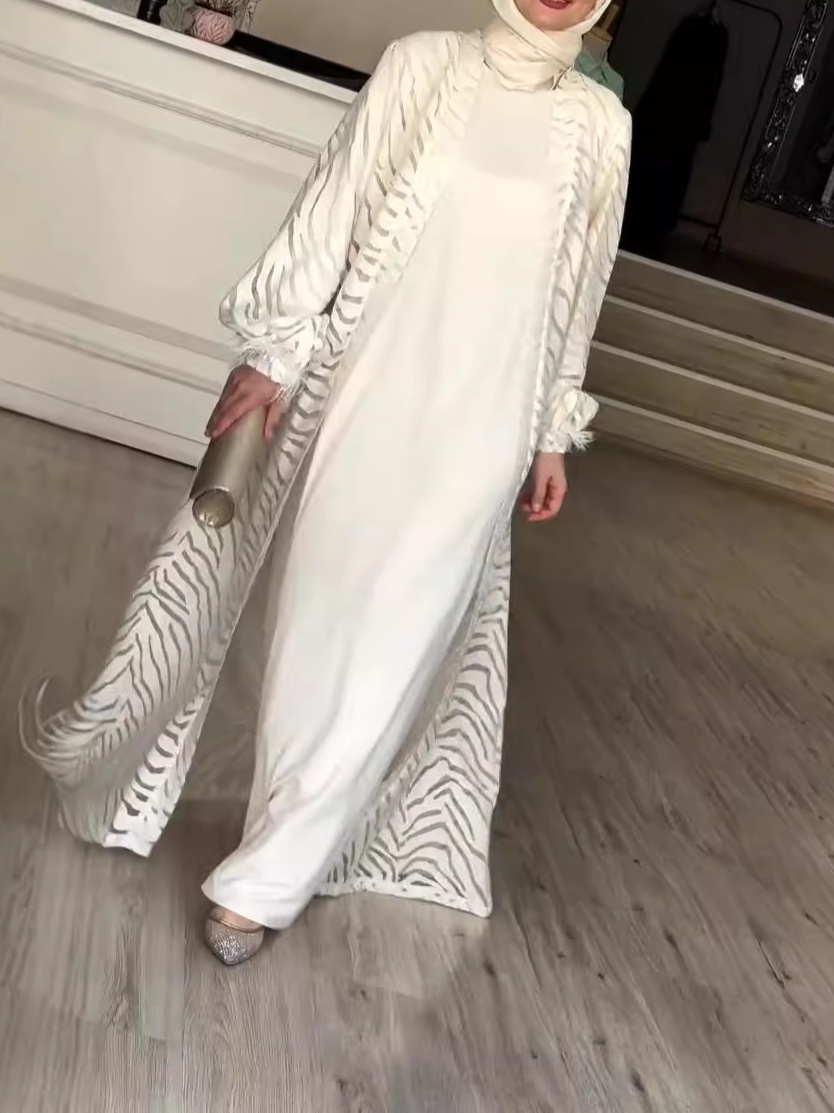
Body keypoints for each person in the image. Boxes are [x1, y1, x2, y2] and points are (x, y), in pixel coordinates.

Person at [22, 0, 631, 966]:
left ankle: (268, 876)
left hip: (485, 427)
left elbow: (580, 289)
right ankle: (281, 826)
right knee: (316, 621)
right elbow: (335, 206)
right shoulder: (422, 65)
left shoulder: (602, 126)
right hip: (366, 394)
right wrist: (274, 352)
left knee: (398, 642)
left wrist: (554, 431)